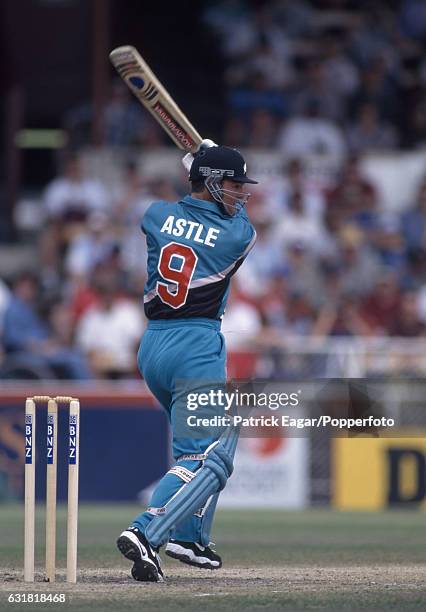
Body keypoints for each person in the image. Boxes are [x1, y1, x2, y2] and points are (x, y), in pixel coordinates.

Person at [116, 145, 257, 581]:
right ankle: (147, 531)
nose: (240, 195)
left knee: (218, 439)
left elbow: (184, 216)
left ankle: (189, 535)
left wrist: (198, 170)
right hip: (195, 345)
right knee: (204, 454)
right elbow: (237, 228)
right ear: (213, 182)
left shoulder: (155, 214)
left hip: (153, 347)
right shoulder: (238, 235)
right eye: (234, 186)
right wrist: (204, 169)